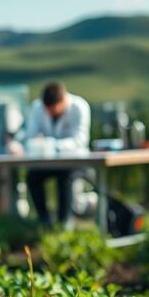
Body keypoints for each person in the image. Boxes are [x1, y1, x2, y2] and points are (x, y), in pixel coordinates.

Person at [8, 81, 91, 230]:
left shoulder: (79, 107)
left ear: (63, 101)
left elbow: (80, 141)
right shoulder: (37, 108)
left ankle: (64, 224)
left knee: (65, 178)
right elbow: (30, 136)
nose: (49, 114)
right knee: (33, 177)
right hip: (47, 162)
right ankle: (44, 221)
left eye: (53, 110)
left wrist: (49, 143)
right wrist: (24, 145)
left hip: (74, 161)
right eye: (47, 110)